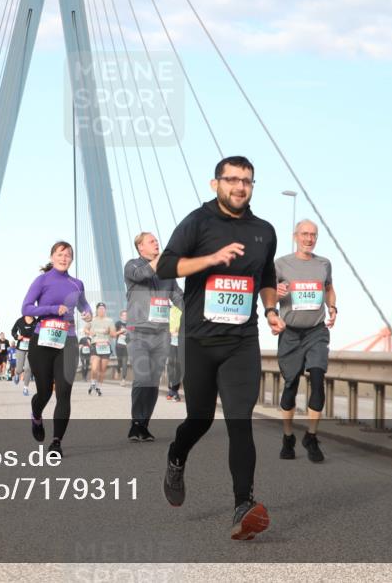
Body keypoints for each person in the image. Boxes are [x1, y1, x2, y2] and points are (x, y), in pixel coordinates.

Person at [156, 155, 284, 541]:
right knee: (199, 419)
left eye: (247, 180)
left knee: (240, 420)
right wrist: (210, 259)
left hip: (242, 340)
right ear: (216, 184)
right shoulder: (198, 221)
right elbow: (165, 266)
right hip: (199, 340)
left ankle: (242, 504)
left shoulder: (264, 230)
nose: (240, 187)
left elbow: (266, 275)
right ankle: (177, 455)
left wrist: (272, 308)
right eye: (232, 180)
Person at [21, 241, 93, 458]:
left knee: (64, 393)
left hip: (68, 341)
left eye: (68, 255)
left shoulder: (76, 283)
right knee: (44, 392)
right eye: (60, 254)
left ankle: (56, 443)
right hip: (42, 341)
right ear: (52, 257)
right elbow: (26, 308)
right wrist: (53, 309)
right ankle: (36, 416)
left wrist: (87, 312)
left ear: (72, 259)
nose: (64, 258)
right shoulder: (42, 280)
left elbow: (84, 304)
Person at [276, 219, 337, 463]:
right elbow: (268, 291)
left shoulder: (324, 264)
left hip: (316, 331)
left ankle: (311, 436)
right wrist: (275, 295)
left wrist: (332, 306)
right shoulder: (281, 264)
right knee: (291, 385)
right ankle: (288, 436)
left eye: (313, 235)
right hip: (290, 333)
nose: (308, 239)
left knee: (318, 378)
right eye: (304, 234)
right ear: (295, 236)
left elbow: (330, 288)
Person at [123, 232, 185, 442]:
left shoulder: (167, 274)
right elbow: (143, 275)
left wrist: (199, 311)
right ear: (141, 247)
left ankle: (144, 425)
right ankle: (135, 422)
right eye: (152, 241)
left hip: (161, 334)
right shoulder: (132, 266)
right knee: (142, 378)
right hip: (138, 332)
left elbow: (178, 297)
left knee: (153, 382)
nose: (157, 243)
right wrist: (161, 261)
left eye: (157, 240)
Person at [85, 303, 116, 396]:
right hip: (95, 345)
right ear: (97, 310)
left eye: (103, 309)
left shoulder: (110, 321)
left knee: (102, 369)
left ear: (105, 310)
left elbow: (114, 334)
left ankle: (98, 387)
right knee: (94, 368)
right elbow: (85, 329)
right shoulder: (92, 320)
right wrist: (90, 332)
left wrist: (109, 332)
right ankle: (93, 384)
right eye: (99, 309)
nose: (101, 310)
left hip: (106, 346)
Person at [11, 314, 37, 395]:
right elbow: (13, 331)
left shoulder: (36, 322)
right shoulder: (20, 321)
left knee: (27, 368)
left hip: (31, 349)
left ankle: (25, 388)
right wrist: (16, 336)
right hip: (21, 348)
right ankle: (17, 374)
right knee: (19, 368)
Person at [166, 306, 184, 402]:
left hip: (182, 343)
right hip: (171, 343)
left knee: (179, 367)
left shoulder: (185, 307)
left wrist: (180, 332)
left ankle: (174, 390)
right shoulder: (170, 309)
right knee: (171, 366)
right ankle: (171, 389)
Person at [114, 310, 129, 386]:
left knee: (125, 363)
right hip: (119, 346)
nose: (125, 316)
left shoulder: (130, 324)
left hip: (127, 346)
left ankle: (123, 380)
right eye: (123, 315)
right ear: (121, 316)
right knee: (119, 362)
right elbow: (113, 334)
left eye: (126, 315)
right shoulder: (118, 323)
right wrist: (120, 331)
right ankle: (118, 370)